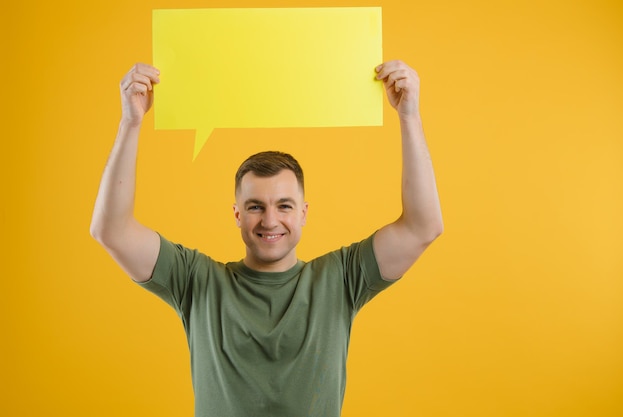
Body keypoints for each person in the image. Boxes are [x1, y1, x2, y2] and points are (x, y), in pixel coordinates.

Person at [90, 60, 443, 417]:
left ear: (303, 212)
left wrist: (409, 117)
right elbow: (112, 231)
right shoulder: (197, 281)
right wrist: (130, 122)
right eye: (256, 206)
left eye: (284, 206)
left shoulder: (340, 279)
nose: (270, 220)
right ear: (237, 214)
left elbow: (423, 226)